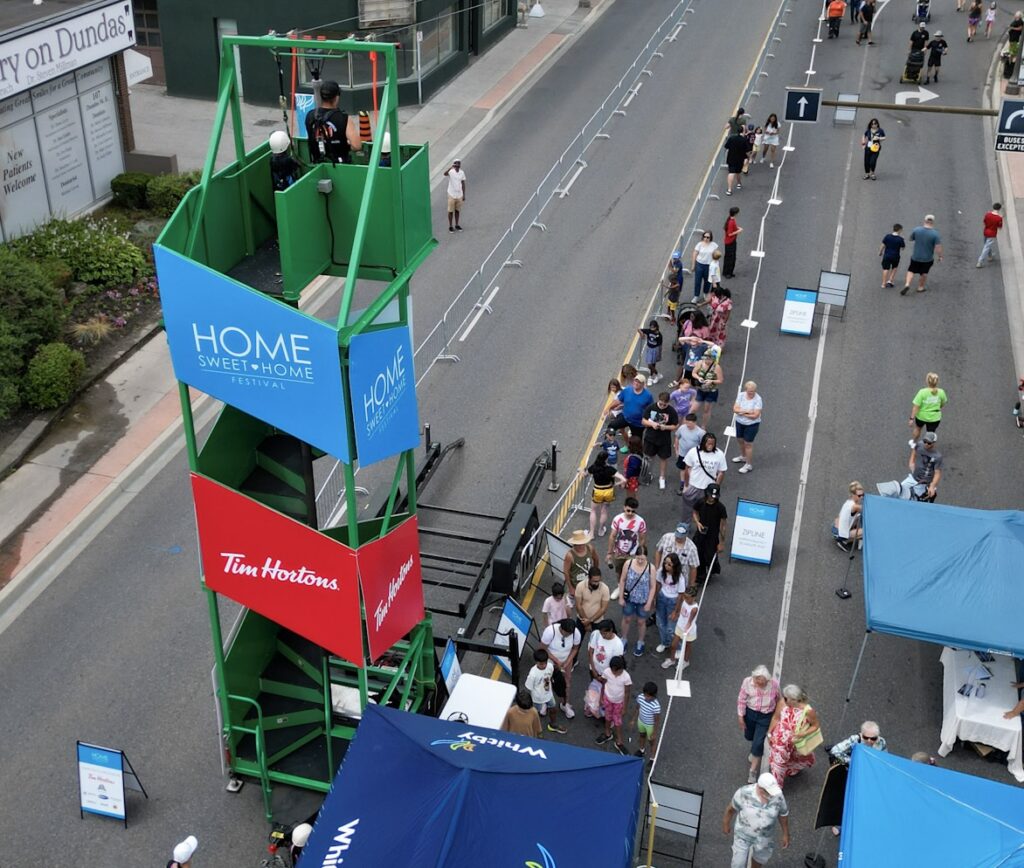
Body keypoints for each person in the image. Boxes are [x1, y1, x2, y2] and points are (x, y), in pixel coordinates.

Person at [827, 721, 887, 836]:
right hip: (853, 775)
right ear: (861, 734)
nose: (869, 741)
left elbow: (884, 757)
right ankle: (840, 824)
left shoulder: (882, 742)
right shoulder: (855, 740)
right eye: (866, 737)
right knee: (848, 800)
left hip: (869, 776)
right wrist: (853, 762)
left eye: (873, 738)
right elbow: (835, 750)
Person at [723, 774, 790, 868]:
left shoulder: (778, 796)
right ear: (760, 788)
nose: (772, 795)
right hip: (743, 835)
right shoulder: (744, 793)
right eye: (769, 792)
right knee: (738, 864)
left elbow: (783, 814)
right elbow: (730, 809)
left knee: (759, 860)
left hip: (764, 838)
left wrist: (786, 834)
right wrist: (726, 824)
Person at [768, 684, 820, 786]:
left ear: (794, 700)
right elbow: (776, 718)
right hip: (780, 741)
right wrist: (770, 733)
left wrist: (803, 734)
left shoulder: (808, 711)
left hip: (796, 742)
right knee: (777, 765)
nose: (783, 699)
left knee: (796, 758)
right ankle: (776, 788)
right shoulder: (783, 703)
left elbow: (815, 725)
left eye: (786, 698)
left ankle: (792, 769)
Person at [737, 665, 781, 783]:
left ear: (768, 680)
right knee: (749, 736)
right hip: (750, 713)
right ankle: (754, 750)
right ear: (754, 678)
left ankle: (752, 771)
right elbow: (741, 699)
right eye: (758, 681)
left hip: (765, 716)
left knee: (758, 742)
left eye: (763, 682)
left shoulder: (774, 684)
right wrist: (741, 716)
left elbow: (778, 698)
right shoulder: (747, 682)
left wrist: (776, 715)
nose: (760, 684)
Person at [304, 80, 360, 164]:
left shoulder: (310, 116)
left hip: (317, 165)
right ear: (336, 97)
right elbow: (357, 145)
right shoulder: (344, 118)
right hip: (340, 166)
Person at [680, 431, 727, 524]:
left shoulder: (719, 454)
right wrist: (686, 485)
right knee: (687, 508)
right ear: (703, 443)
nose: (710, 446)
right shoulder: (693, 452)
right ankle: (684, 526)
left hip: (708, 489)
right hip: (693, 485)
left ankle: (702, 526)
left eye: (712, 444)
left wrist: (716, 487)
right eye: (708, 443)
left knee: (705, 510)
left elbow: (722, 472)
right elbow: (687, 468)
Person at [617, 544, 656, 656]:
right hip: (629, 597)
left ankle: (641, 641)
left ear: (646, 558)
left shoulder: (650, 568)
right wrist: (620, 597)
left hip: (643, 599)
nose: (639, 561)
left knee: (641, 621)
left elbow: (653, 586)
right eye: (638, 558)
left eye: (642, 559)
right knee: (627, 619)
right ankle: (623, 638)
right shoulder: (628, 564)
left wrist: (649, 602)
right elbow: (623, 580)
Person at [541, 617, 582, 719]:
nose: (568, 635)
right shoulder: (550, 631)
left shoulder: (576, 633)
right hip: (550, 661)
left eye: (570, 634)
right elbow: (542, 649)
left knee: (567, 683)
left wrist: (567, 662)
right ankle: (545, 702)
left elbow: (575, 648)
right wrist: (556, 661)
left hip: (566, 661)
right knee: (546, 681)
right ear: (561, 628)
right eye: (566, 633)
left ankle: (565, 704)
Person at [642, 391, 679, 489]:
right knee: (649, 457)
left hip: (664, 439)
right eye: (661, 403)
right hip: (650, 438)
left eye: (665, 404)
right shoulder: (651, 407)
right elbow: (644, 420)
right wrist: (652, 424)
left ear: (668, 402)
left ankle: (662, 477)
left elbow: (675, 425)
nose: (662, 406)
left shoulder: (671, 411)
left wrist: (665, 427)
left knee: (663, 458)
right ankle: (648, 474)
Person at [595, 654, 631, 754]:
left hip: (619, 702)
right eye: (612, 670)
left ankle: (619, 741)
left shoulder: (626, 677)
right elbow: (603, 683)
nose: (614, 673)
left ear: (621, 669)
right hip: (608, 699)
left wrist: (625, 707)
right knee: (607, 717)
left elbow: (627, 693)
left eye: (616, 671)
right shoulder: (607, 672)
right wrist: (601, 696)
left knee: (617, 721)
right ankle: (607, 733)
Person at [692, 483, 728, 582]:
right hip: (701, 534)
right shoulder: (700, 502)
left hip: (712, 536)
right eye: (710, 496)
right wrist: (697, 522)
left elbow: (723, 525)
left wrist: (721, 542)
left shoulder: (720, 508)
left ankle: (713, 569)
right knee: (698, 554)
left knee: (710, 556)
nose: (712, 499)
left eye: (714, 497)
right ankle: (700, 576)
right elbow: (695, 511)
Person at [525, 648, 566, 734]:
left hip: (549, 695)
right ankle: (532, 729)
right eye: (541, 664)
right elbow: (529, 688)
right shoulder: (533, 674)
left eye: (545, 663)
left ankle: (553, 725)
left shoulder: (550, 666)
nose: (543, 665)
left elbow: (551, 676)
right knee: (534, 714)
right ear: (536, 662)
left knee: (553, 709)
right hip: (537, 698)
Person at [584, 453, 624, 538]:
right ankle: (601, 530)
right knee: (604, 511)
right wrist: (616, 484)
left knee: (593, 511)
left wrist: (580, 470)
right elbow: (623, 479)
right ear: (606, 460)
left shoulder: (593, 467)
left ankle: (591, 533)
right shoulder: (610, 469)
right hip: (608, 491)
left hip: (597, 491)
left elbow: (584, 475)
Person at [901, 214, 943, 295]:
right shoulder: (935, 234)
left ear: (925, 220)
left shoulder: (917, 230)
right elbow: (938, 247)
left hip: (916, 256)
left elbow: (910, 238)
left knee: (911, 270)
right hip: (927, 258)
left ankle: (907, 284)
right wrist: (940, 256)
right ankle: (920, 287)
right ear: (933, 222)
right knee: (924, 272)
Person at [607, 496, 647, 581]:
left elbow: (642, 538)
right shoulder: (617, 519)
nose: (630, 513)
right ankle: (620, 586)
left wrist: (639, 553)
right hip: (618, 553)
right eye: (628, 510)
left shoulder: (640, 521)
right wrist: (610, 553)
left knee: (631, 573)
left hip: (632, 554)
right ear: (624, 507)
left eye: (633, 511)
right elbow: (612, 536)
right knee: (619, 572)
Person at [606, 373, 654, 440]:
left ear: (643, 384)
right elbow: (618, 401)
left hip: (638, 423)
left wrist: (650, 422)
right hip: (625, 417)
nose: (636, 383)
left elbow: (651, 409)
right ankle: (610, 444)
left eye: (639, 382)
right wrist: (609, 408)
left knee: (636, 440)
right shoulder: (627, 390)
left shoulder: (648, 396)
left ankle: (636, 449)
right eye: (635, 381)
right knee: (612, 426)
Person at [662, 584, 698, 670]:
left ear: (693, 597)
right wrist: (675, 614)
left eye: (687, 597)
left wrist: (686, 631)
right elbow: (681, 611)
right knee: (674, 645)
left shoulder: (694, 609)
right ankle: (672, 659)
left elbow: (690, 621)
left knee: (687, 646)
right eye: (685, 597)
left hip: (688, 630)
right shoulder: (684, 601)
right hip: (679, 626)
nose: (685, 599)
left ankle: (686, 661)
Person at [653, 552, 683, 653]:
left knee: (671, 628)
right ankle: (664, 642)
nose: (666, 566)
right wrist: (654, 598)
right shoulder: (661, 572)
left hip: (673, 601)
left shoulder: (680, 578)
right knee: (661, 624)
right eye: (665, 563)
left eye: (669, 564)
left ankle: (678, 647)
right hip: (662, 597)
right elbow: (657, 584)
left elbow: (680, 595)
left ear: (675, 565)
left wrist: (676, 611)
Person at [574, 566, 610, 649]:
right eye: (594, 581)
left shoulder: (605, 589)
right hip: (581, 620)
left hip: (598, 621)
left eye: (598, 581)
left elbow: (603, 608)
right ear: (589, 578)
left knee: (598, 645)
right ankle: (574, 660)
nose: (597, 583)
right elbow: (578, 605)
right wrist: (586, 622)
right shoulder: (580, 586)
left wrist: (589, 621)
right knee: (576, 642)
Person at [732, 380, 763, 474]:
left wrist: (742, 412)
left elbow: (755, 415)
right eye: (749, 391)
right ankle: (743, 456)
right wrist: (748, 411)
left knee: (748, 444)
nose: (751, 393)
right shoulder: (741, 395)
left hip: (751, 425)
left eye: (753, 391)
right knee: (740, 440)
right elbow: (735, 409)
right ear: (746, 390)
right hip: (739, 422)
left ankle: (748, 464)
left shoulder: (758, 399)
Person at [909, 372, 948, 440]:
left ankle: (914, 443)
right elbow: (942, 404)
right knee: (931, 434)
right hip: (934, 418)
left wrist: (911, 419)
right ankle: (928, 446)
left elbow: (916, 406)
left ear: (927, 381)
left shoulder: (922, 392)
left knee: (918, 428)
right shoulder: (941, 392)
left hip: (921, 417)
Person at [563, 529, 600, 600]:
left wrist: (595, 574)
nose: (581, 546)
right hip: (577, 585)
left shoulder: (590, 548)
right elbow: (566, 572)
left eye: (582, 544)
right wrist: (571, 588)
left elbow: (596, 559)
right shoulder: (570, 556)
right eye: (578, 545)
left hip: (589, 582)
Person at [692, 348, 724, 429]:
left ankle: (703, 426)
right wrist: (698, 378)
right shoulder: (700, 363)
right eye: (705, 358)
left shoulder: (717, 367)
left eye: (709, 359)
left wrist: (711, 381)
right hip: (701, 389)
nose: (707, 360)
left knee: (706, 409)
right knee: (693, 409)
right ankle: (691, 423)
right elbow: (693, 373)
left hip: (711, 391)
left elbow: (720, 380)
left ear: (713, 359)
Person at [674, 413, 705, 495]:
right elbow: (677, 437)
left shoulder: (700, 433)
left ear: (695, 422)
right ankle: (682, 485)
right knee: (683, 469)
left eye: (690, 423)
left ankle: (691, 487)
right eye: (686, 422)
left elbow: (703, 445)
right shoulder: (682, 428)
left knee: (692, 471)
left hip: (694, 456)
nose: (688, 425)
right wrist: (676, 450)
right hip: (682, 454)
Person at [908, 432, 943, 501]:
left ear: (934, 443)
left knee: (919, 500)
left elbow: (937, 473)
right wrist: (911, 461)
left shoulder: (937, 456)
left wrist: (932, 486)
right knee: (900, 491)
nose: (926, 444)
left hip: (925, 483)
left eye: (929, 443)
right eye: (925, 441)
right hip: (913, 478)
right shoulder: (920, 444)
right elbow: (914, 450)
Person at [631, 681, 662, 758]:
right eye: (645, 695)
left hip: (650, 726)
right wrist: (633, 719)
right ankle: (641, 750)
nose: (646, 697)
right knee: (642, 735)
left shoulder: (656, 706)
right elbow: (638, 708)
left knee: (652, 742)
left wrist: (654, 733)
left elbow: (656, 720)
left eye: (648, 696)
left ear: (654, 696)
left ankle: (652, 757)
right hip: (641, 721)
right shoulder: (640, 697)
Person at [832, 481, 865, 552]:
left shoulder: (848, 502)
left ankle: (849, 535)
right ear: (853, 495)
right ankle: (844, 541)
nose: (861, 497)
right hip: (840, 533)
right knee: (865, 531)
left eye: (863, 494)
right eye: (859, 496)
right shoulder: (855, 506)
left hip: (835, 527)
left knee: (858, 516)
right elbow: (866, 509)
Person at [691, 231, 719, 301]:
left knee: (707, 281)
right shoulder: (699, 244)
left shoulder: (714, 245)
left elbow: (716, 255)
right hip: (699, 265)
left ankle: (705, 293)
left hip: (709, 266)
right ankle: (696, 296)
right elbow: (695, 254)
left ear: (710, 238)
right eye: (704, 237)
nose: (706, 238)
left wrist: (716, 266)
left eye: (707, 237)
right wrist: (693, 265)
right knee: (698, 281)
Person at [878, 223, 905, 288]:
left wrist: (880, 252)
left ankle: (883, 283)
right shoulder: (900, 239)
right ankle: (890, 280)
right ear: (899, 230)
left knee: (885, 269)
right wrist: (902, 240)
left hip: (887, 255)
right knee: (894, 267)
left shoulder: (887, 236)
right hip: (895, 256)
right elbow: (902, 248)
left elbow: (883, 245)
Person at [637, 320, 664, 385]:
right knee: (650, 364)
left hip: (655, 349)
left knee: (652, 364)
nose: (652, 329)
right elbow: (639, 329)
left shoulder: (659, 335)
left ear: (656, 327)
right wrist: (642, 334)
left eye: (653, 327)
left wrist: (659, 353)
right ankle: (657, 375)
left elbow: (660, 345)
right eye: (651, 327)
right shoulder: (648, 331)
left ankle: (651, 377)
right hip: (649, 348)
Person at [977, 202, 1003, 266]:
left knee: (986, 244)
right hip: (992, 233)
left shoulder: (987, 214)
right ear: (999, 209)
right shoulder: (999, 218)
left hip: (986, 231)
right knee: (986, 247)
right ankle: (980, 261)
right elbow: (999, 227)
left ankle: (990, 256)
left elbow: (984, 221)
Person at [724, 130, 749, 196]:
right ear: (742, 131)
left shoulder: (731, 138)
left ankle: (729, 189)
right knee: (738, 172)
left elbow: (726, 146)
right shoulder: (744, 140)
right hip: (740, 159)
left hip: (731, 158)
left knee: (731, 172)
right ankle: (738, 184)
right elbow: (747, 150)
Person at [444, 159, 466, 232]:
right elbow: (445, 174)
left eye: (458, 164)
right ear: (454, 164)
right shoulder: (451, 172)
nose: (457, 165)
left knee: (457, 210)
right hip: (451, 194)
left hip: (459, 194)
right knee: (450, 211)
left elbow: (463, 183)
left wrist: (464, 194)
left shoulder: (462, 172)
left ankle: (457, 225)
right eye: (456, 164)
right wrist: (450, 167)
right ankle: (450, 226)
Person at [723, 206, 743, 277]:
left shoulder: (731, 220)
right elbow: (730, 234)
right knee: (731, 258)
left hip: (729, 242)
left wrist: (737, 228)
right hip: (730, 242)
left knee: (728, 257)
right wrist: (738, 231)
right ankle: (728, 272)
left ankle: (727, 271)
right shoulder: (731, 222)